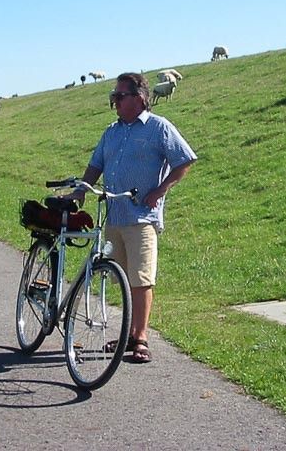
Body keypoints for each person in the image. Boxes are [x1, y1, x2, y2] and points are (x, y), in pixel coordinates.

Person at [71, 72, 196, 363]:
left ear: (139, 98)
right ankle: (128, 334)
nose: (114, 101)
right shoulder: (111, 131)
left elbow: (185, 160)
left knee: (141, 279)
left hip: (142, 216)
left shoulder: (158, 127)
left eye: (119, 96)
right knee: (123, 279)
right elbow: (94, 166)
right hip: (115, 216)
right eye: (113, 96)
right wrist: (80, 192)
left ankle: (141, 338)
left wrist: (160, 190)